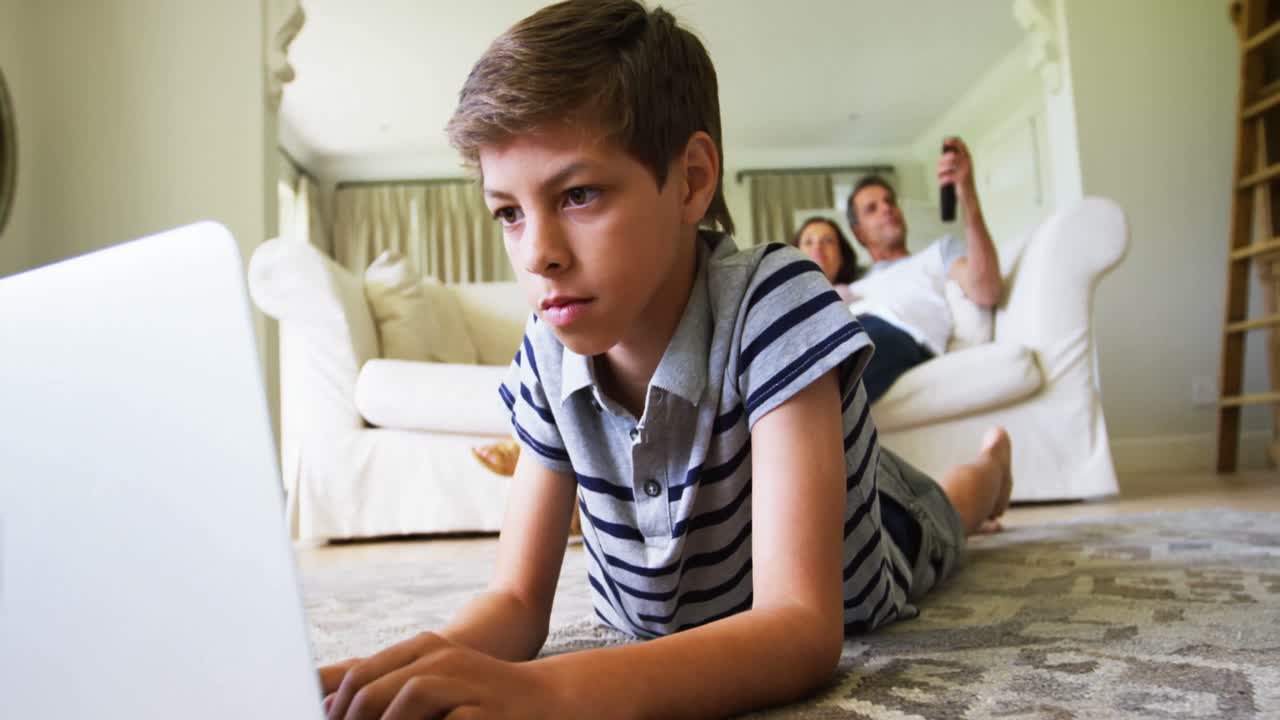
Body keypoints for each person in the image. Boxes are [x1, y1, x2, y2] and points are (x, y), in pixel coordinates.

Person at [318, 2, 1013, 718]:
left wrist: (543, 694)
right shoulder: (546, 349)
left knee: (947, 512)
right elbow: (517, 601)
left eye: (578, 194)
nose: (537, 253)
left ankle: (990, 472)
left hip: (880, 537)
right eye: (509, 213)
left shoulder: (776, 301)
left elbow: (802, 628)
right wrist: (407, 667)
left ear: (690, 180)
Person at [840, 145, 1001, 404]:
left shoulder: (939, 252)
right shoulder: (856, 286)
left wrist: (966, 192)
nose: (886, 208)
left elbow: (986, 290)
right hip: (851, 328)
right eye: (872, 208)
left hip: (895, 337)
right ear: (858, 232)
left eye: (890, 201)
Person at [790, 216, 861, 303]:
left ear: (842, 255)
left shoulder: (861, 294)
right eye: (808, 242)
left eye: (828, 241)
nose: (817, 247)